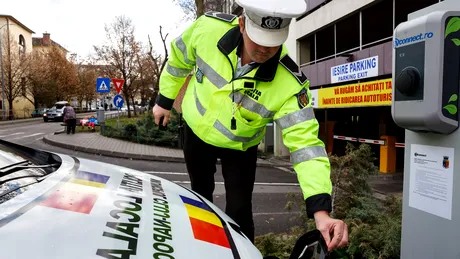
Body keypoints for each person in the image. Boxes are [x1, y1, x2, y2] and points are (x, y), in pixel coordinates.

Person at [152, 0, 348, 251]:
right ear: (242, 24)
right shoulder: (207, 29)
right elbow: (179, 60)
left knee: (239, 210)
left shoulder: (290, 83)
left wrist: (320, 210)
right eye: (259, 39)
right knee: (199, 198)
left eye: (273, 41)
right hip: (196, 132)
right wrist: (164, 100)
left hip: (241, 147)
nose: (266, 49)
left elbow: (306, 145)